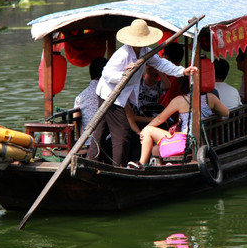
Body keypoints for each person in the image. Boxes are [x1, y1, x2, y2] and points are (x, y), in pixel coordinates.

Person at [86, 19, 198, 167]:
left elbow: (160, 63)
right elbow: (106, 74)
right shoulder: (123, 54)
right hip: (110, 95)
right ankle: (118, 167)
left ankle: (90, 162)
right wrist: (125, 74)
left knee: (101, 130)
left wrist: (182, 71)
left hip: (118, 95)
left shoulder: (145, 51)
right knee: (122, 133)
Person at [129, 76, 229, 168]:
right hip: (202, 141)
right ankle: (160, 166)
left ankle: (141, 164)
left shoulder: (180, 100)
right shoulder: (210, 98)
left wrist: (143, 130)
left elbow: (160, 119)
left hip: (186, 141)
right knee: (155, 148)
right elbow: (226, 112)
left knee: (148, 131)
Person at [73, 57, 107, 145]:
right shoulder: (110, 92)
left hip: (87, 141)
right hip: (108, 141)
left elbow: (75, 119)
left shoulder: (81, 96)